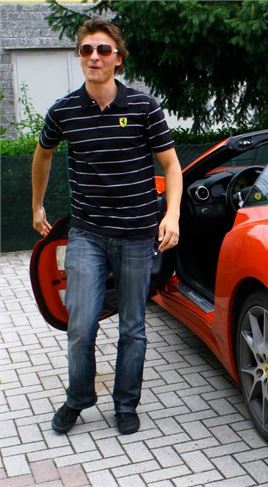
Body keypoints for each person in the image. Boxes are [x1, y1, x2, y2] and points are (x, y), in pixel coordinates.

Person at [31, 18, 183, 435]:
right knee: (80, 325)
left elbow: (171, 166)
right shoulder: (63, 111)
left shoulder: (143, 107)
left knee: (133, 327)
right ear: (79, 57)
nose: (94, 57)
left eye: (103, 50)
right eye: (86, 50)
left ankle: (125, 403)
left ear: (118, 58)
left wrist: (171, 214)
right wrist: (37, 205)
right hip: (87, 235)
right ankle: (79, 398)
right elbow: (42, 154)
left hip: (137, 235)